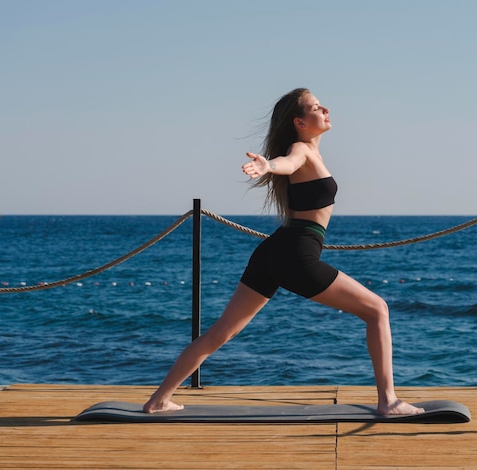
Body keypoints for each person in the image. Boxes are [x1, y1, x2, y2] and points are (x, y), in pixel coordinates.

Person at [143, 88, 424, 416]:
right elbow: (287, 162)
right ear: (300, 122)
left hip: (274, 252)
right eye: (317, 107)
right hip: (295, 255)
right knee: (377, 310)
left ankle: (159, 400)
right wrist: (267, 165)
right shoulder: (301, 150)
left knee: (221, 331)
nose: (326, 109)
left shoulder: (312, 152)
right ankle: (388, 401)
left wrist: (271, 166)